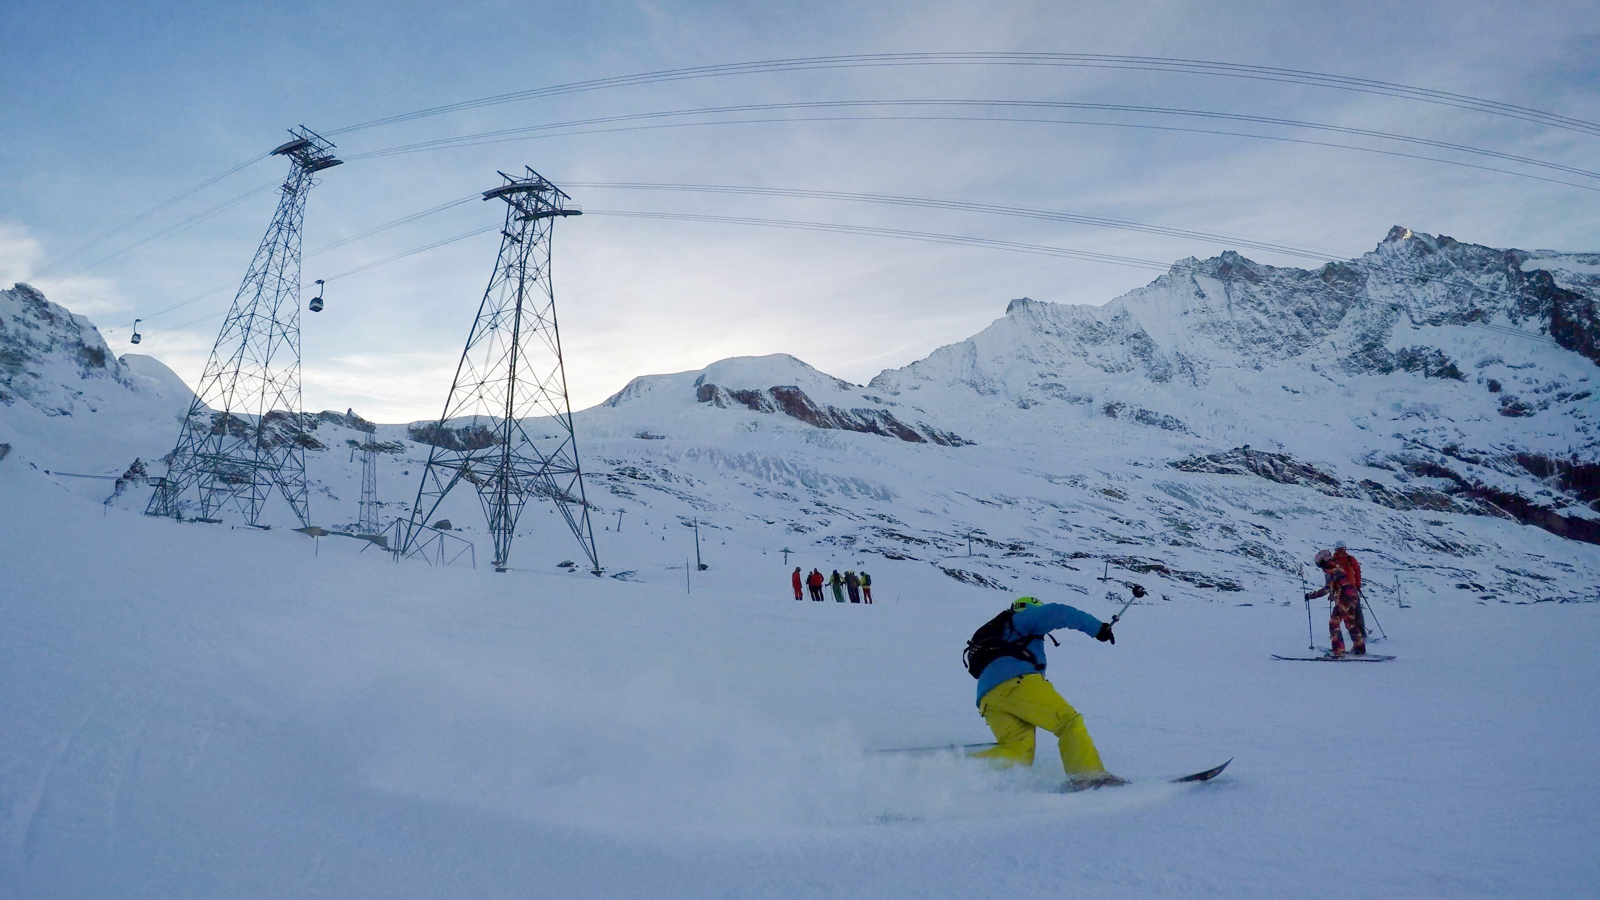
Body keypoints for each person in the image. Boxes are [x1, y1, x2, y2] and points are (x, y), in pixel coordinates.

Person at [966, 596, 1123, 789]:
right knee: (1068, 722)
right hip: (1018, 683)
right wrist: (1097, 628)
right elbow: (1057, 611)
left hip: (989, 697)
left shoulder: (1004, 632)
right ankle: (1089, 778)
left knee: (1018, 753)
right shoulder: (1022, 619)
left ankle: (954, 766)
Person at [1306, 549, 1365, 656]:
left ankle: (1338, 651)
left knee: (1334, 623)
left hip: (1344, 598)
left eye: (1319, 563)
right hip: (1351, 596)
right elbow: (1339, 584)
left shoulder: (1330, 569)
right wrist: (1334, 593)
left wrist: (1312, 596)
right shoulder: (1336, 566)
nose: (1320, 566)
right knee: (1350, 623)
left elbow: (1327, 588)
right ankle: (1359, 648)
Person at [1332, 542, 1367, 638]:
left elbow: (1357, 570)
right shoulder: (1333, 561)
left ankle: (1361, 632)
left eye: (1342, 549)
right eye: (1339, 549)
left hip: (1352, 589)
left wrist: (1358, 584)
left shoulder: (1350, 559)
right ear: (1336, 550)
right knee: (1343, 613)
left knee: (1357, 611)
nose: (1341, 551)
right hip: (1339, 591)